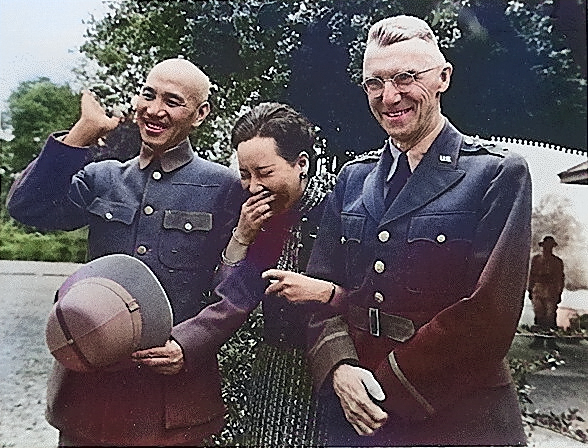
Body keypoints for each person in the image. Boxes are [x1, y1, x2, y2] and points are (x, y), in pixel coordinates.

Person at [293, 15, 532, 446]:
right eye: (374, 83)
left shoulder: (495, 175)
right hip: (357, 413)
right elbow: (318, 290)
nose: (390, 96)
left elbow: (489, 312)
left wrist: (387, 386)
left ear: (443, 78)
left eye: (406, 77)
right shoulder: (353, 178)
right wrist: (340, 367)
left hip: (455, 416)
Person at [6, 58, 244, 446]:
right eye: (148, 95)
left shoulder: (225, 187)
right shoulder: (102, 177)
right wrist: (83, 132)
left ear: (200, 114)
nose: (155, 110)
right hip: (90, 398)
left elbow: (239, 283)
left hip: (171, 404)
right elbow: (25, 206)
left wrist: (192, 342)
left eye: (173, 101)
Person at [172, 102, 337, 446]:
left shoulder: (338, 207)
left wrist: (325, 291)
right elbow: (228, 295)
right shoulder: (254, 216)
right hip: (271, 371)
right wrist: (242, 237)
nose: (252, 186)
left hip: (331, 367)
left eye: (264, 173)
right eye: (245, 175)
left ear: (301, 163)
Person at [528, 235, 565, 350]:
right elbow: (532, 275)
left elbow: (560, 278)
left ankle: (550, 342)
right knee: (539, 316)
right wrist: (530, 289)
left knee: (550, 316)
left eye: (549, 246)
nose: (546, 249)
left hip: (551, 290)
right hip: (538, 290)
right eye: (545, 246)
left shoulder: (557, 262)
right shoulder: (536, 260)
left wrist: (559, 293)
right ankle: (538, 340)